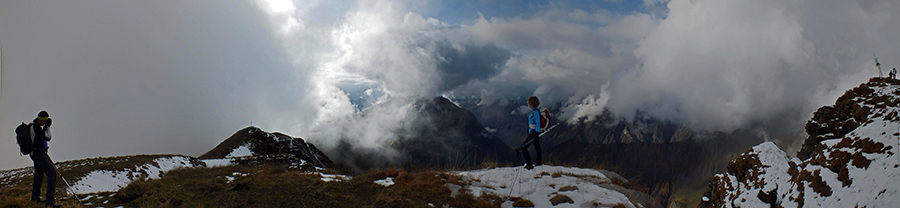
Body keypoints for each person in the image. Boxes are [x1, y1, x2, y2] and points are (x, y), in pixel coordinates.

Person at [29, 111, 60, 207]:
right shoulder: (37, 128)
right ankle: (50, 202)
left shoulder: (33, 126)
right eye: (45, 120)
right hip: (38, 154)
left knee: (39, 174)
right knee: (52, 173)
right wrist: (48, 127)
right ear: (42, 120)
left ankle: (35, 197)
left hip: (35, 153)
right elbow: (48, 137)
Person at [518, 96, 542, 170]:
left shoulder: (535, 112)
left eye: (528, 102)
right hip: (533, 132)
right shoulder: (534, 111)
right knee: (537, 147)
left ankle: (529, 164)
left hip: (533, 133)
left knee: (524, 147)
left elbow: (538, 122)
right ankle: (538, 163)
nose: (528, 104)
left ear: (531, 104)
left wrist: (536, 132)